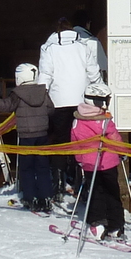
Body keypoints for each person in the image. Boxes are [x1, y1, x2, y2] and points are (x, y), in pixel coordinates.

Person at [38, 12, 102, 194]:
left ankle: (58, 181)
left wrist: (40, 95)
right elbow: (93, 72)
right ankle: (79, 181)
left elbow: (45, 74)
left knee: (60, 141)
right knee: (81, 140)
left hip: (58, 102)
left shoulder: (48, 48)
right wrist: (99, 90)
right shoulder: (83, 46)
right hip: (81, 102)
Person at [0, 62, 56, 212]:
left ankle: (30, 196)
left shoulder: (18, 93)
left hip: (26, 136)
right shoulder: (43, 91)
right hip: (42, 134)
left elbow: (7, 106)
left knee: (27, 168)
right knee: (42, 167)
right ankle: (45, 197)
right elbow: (51, 109)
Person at [71, 82, 126, 240]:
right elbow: (115, 138)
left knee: (95, 193)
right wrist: (121, 152)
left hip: (88, 164)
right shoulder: (104, 120)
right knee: (111, 192)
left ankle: (97, 222)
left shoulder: (77, 120)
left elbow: (75, 143)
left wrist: (79, 160)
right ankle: (115, 225)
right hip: (107, 163)